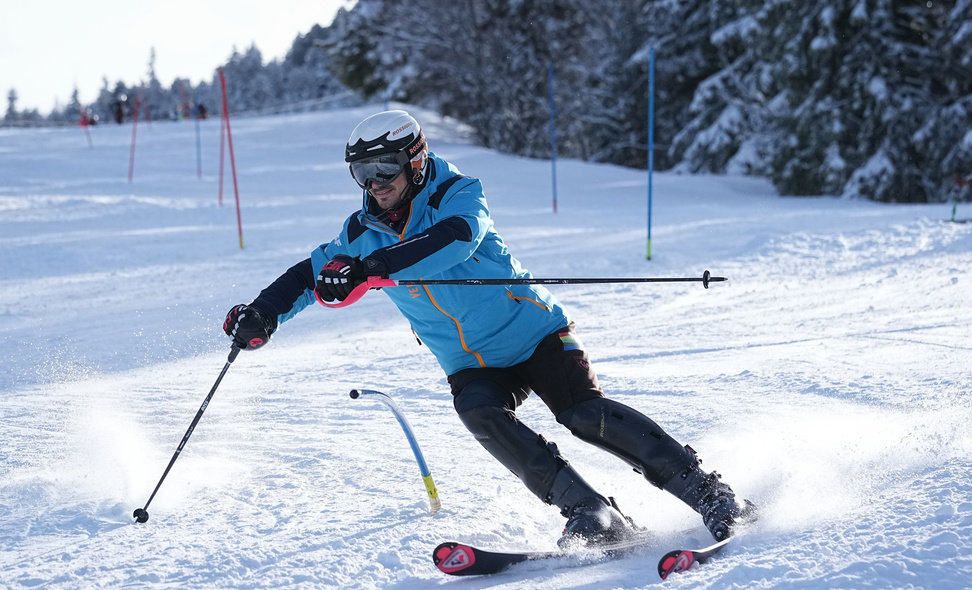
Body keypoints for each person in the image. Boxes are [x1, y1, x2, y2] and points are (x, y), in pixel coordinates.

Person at [224, 110, 756, 547]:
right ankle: (590, 510)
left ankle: (708, 491)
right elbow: (307, 274)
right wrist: (263, 313)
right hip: (471, 362)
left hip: (534, 334)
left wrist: (371, 268)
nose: (376, 184)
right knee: (478, 411)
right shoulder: (358, 233)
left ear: (415, 160)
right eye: (363, 175)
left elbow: (458, 238)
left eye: (385, 169)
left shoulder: (457, 193)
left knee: (582, 413)